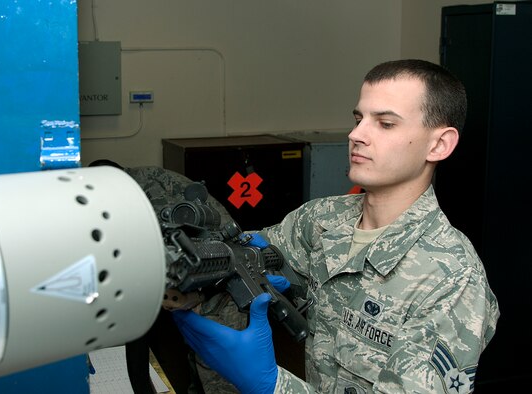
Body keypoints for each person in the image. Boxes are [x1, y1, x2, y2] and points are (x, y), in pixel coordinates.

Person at [171, 59, 500, 393]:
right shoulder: (323, 219)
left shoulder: (452, 280)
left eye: (385, 124)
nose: (356, 135)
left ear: (439, 144)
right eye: (358, 119)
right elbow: (241, 257)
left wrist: (271, 386)